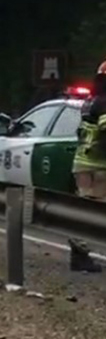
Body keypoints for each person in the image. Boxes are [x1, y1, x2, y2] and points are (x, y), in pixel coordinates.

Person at [70, 62, 106, 273]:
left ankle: (78, 255)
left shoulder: (90, 102)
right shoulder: (104, 103)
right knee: (92, 213)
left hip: (83, 163)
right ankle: (79, 254)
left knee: (85, 211)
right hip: (98, 166)